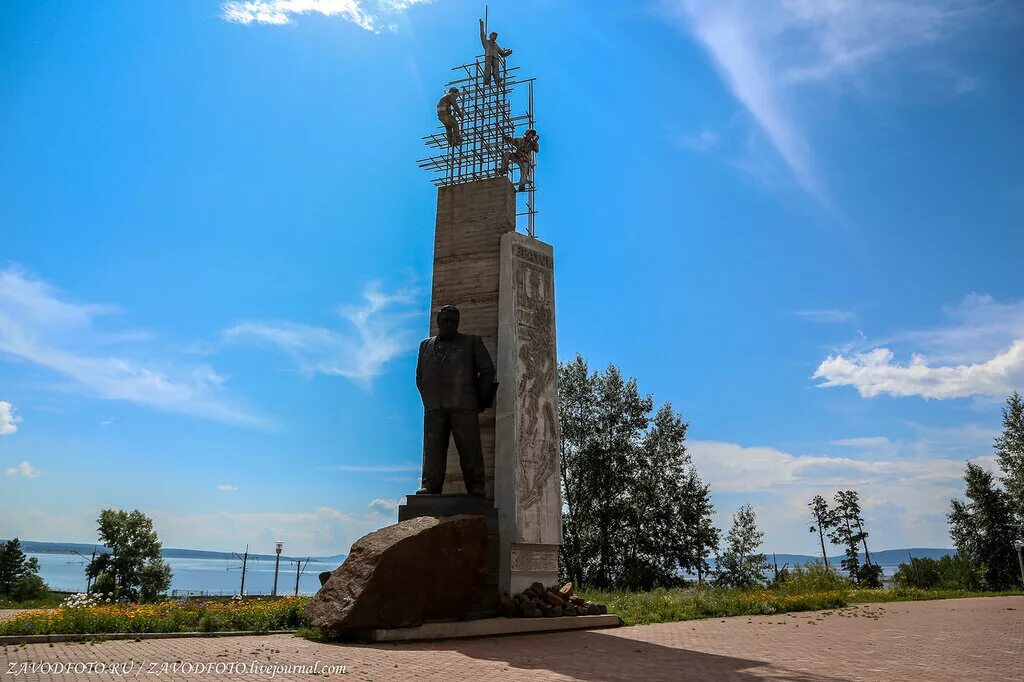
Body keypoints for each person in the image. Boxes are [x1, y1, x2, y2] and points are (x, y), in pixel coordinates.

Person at [415, 305, 496, 497]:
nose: (448, 324)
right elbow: (420, 376)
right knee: (433, 450)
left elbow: (488, 371)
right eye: (444, 321)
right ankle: (431, 485)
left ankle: (476, 486)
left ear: (458, 323)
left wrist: (478, 400)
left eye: (452, 321)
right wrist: (428, 398)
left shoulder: (471, 342)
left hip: (464, 405)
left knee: (469, 448)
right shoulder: (425, 345)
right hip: (434, 406)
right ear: (438, 321)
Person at [479, 18, 512, 86]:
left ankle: (497, 80)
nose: (495, 37)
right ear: (490, 36)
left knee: (496, 70)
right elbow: (482, 35)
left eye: (496, 36)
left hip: (496, 58)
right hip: (489, 56)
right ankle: (487, 79)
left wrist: (508, 53)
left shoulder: (496, 45)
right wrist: (481, 25)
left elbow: (502, 54)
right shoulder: (486, 42)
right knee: (487, 68)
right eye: (494, 35)